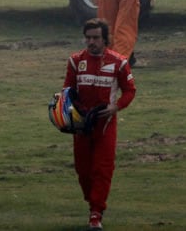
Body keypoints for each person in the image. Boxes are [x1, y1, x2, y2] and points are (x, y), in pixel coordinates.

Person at [61, 18, 137, 231]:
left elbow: (130, 91)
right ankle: (92, 201)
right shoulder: (76, 61)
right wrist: (67, 110)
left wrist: (116, 107)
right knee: (83, 170)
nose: (91, 42)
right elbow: (67, 90)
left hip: (105, 125)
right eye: (88, 38)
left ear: (105, 39)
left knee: (102, 170)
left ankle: (96, 213)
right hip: (81, 125)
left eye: (95, 38)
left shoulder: (120, 62)